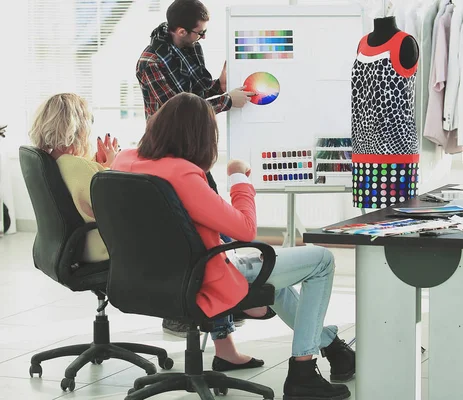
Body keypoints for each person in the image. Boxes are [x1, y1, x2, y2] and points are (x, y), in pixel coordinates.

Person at [112, 93, 355, 400]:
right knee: (321, 260)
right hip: (203, 279)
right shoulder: (182, 175)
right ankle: (303, 373)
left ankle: (332, 347)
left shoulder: (125, 161)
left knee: (274, 278)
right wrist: (238, 177)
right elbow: (244, 229)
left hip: (147, 280)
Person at [136, 0, 255, 337]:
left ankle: (223, 305)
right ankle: (181, 312)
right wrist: (228, 100)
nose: (202, 38)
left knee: (215, 232)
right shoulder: (150, 62)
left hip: (194, 152)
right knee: (185, 237)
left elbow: (200, 93)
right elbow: (180, 110)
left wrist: (219, 85)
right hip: (168, 157)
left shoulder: (191, 48)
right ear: (180, 30)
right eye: (199, 32)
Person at [28, 93, 119, 262]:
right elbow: (116, 209)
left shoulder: (52, 162)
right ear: (78, 128)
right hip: (99, 247)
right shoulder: (78, 167)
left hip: (75, 245)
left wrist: (100, 167)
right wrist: (112, 167)